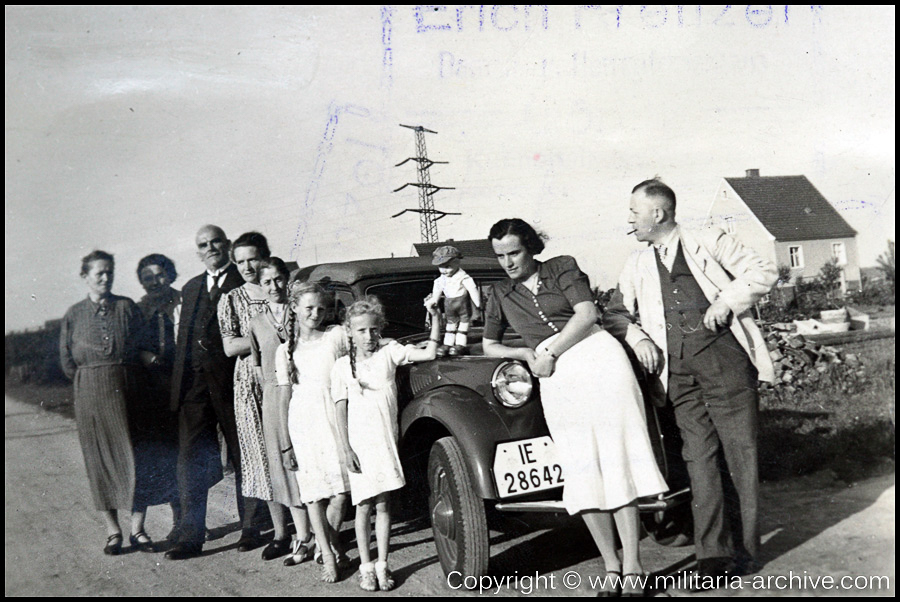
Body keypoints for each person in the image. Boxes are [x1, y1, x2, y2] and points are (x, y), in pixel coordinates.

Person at [483, 218, 668, 596]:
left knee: (616, 463)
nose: (508, 262)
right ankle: (611, 567)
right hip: (557, 379)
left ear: (532, 247)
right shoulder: (500, 294)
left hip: (599, 361)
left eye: (514, 252)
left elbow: (587, 314)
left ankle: (633, 567)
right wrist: (523, 351)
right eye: (500, 255)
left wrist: (549, 350)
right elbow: (489, 346)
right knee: (582, 470)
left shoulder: (561, 266)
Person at [603, 179, 777, 578]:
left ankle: (747, 553)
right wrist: (638, 335)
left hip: (726, 363)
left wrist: (726, 300)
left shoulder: (708, 239)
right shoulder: (636, 263)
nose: (630, 219)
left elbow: (763, 270)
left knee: (741, 456)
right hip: (677, 376)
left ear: (658, 214)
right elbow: (615, 312)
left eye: (634, 211)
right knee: (699, 461)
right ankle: (713, 558)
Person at [333, 297, 442, 591]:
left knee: (384, 504)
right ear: (350, 333)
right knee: (363, 506)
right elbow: (340, 410)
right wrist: (346, 450)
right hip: (358, 446)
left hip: (384, 441)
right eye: (361, 331)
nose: (368, 336)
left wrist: (434, 317)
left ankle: (382, 564)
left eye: (373, 329)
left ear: (380, 329)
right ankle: (365, 568)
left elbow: (429, 352)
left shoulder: (389, 352)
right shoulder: (342, 367)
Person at [60, 250, 159, 555]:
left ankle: (138, 530)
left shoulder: (127, 307)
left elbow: (144, 345)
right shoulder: (73, 314)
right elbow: (67, 362)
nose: (105, 278)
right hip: (90, 393)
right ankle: (113, 532)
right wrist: (92, 379)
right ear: (85, 277)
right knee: (99, 461)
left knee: (136, 456)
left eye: (109, 272)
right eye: (99, 273)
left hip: (129, 390)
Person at [167, 225, 245, 561]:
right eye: (203, 244)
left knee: (245, 457)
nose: (210, 247)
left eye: (216, 242)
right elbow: (183, 341)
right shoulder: (191, 287)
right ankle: (190, 536)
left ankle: (252, 529)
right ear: (198, 252)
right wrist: (180, 391)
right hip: (196, 389)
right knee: (190, 460)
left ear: (227, 245)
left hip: (233, 385)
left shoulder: (242, 282)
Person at [275, 281, 351, 579]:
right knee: (313, 494)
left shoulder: (334, 336)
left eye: (321, 308)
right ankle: (330, 554)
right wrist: (285, 443)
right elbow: (284, 398)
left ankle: (323, 545)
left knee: (340, 493)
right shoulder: (284, 351)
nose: (315, 314)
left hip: (333, 417)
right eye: (308, 308)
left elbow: (364, 343)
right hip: (303, 422)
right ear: (294, 308)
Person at [218, 231, 282, 557]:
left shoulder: (282, 288)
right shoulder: (231, 299)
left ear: (265, 256)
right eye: (239, 261)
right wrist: (269, 335)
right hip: (249, 383)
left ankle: (306, 526)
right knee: (259, 453)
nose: (246, 266)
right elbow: (230, 346)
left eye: (252, 259)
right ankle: (269, 528)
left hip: (283, 376)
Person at [248, 259, 314, 566]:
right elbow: (258, 367)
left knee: (309, 462)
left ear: (286, 281)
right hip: (275, 399)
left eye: (278, 280)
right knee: (284, 467)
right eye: (267, 282)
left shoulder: (301, 312)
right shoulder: (256, 321)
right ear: (260, 286)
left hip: (305, 392)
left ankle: (320, 533)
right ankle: (302, 535)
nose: (273, 287)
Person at [133, 253, 182, 545]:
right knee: (152, 457)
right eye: (147, 278)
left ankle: (182, 521)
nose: (155, 282)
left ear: (171, 274)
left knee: (181, 456)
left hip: (181, 385)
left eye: (160, 275)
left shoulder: (183, 301)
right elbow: (129, 347)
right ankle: (137, 527)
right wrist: (144, 356)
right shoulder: (137, 310)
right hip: (151, 392)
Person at [424, 244, 482, 356]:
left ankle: (460, 344)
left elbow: (472, 289)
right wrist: (433, 300)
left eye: (447, 266)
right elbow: (437, 291)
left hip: (462, 303)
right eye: (441, 267)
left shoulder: (463, 277)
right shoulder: (440, 280)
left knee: (463, 324)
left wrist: (477, 302)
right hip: (449, 304)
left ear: (456, 262)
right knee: (450, 325)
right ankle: (448, 344)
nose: (444, 270)